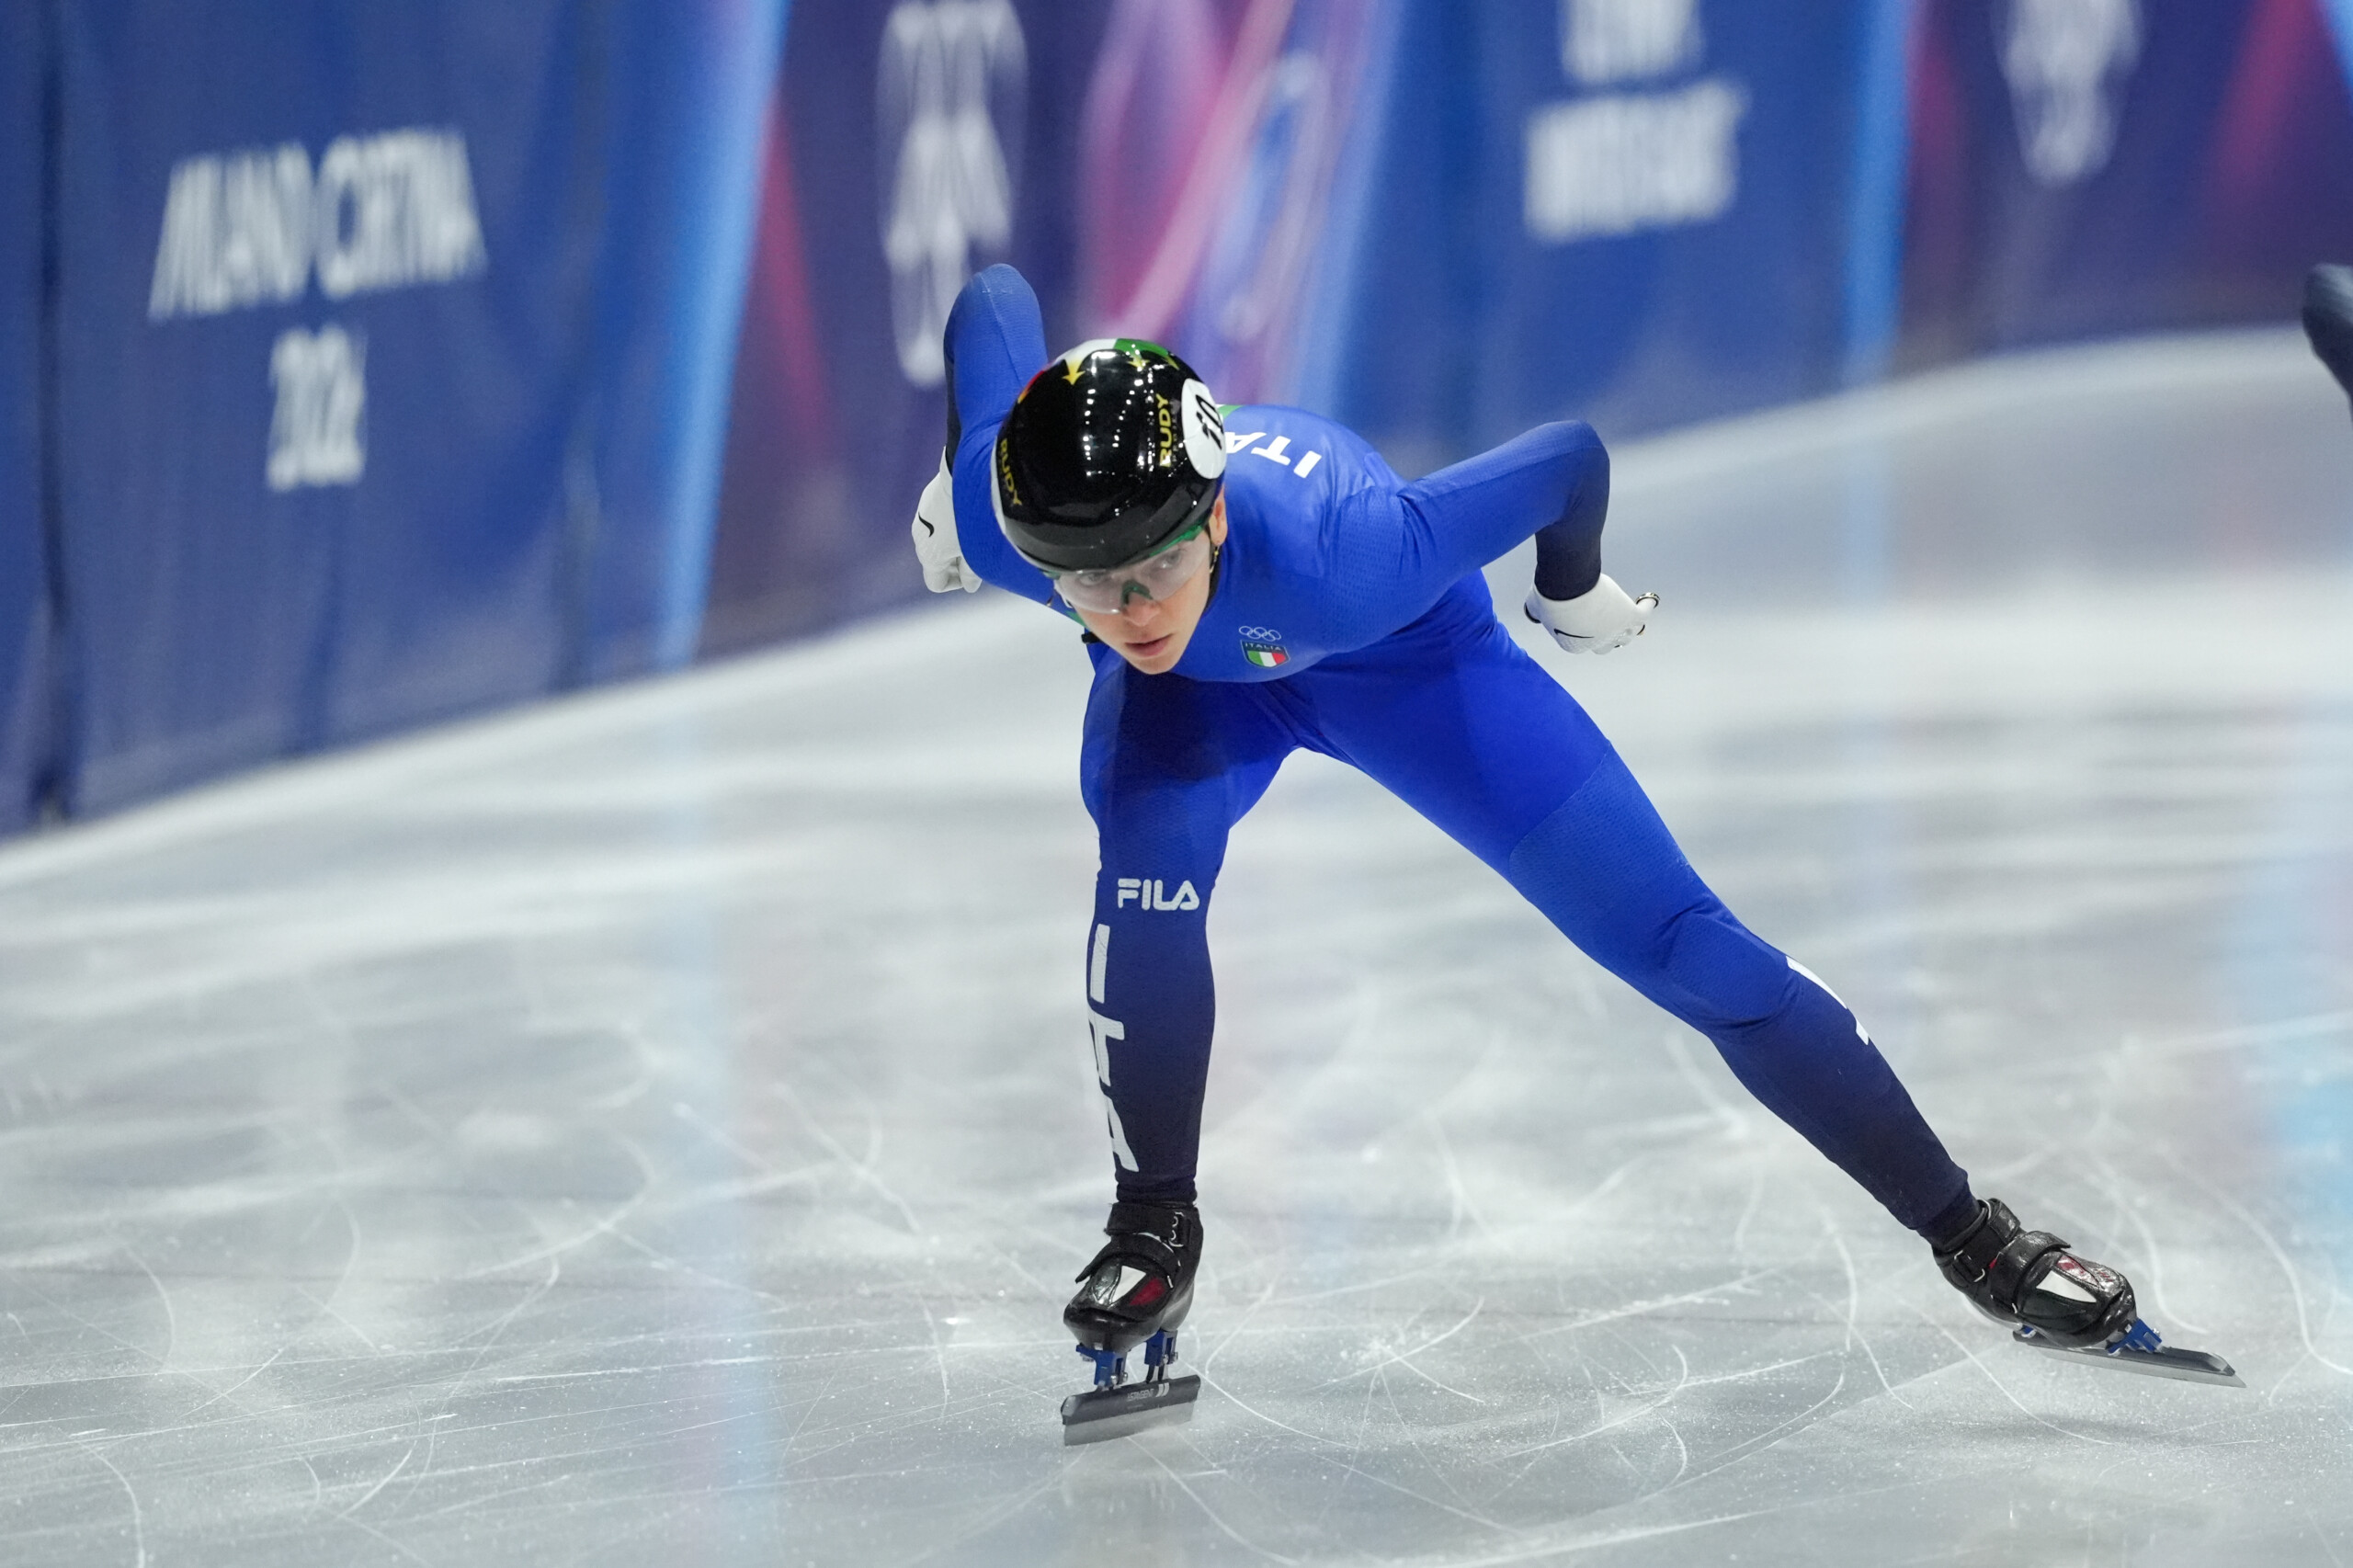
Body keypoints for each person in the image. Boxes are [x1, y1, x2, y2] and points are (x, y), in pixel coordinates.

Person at [909, 263, 2195, 1401]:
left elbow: (1570, 454)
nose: (1124, 608)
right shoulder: (1015, 521)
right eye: (1086, 584)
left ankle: (1974, 1234)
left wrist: (1569, 588)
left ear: (1218, 516)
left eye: (1150, 571)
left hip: (1400, 664)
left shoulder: (1357, 552)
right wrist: (983, 483)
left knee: (1693, 949)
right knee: (1144, 880)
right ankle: (1153, 1228)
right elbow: (991, 304)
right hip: (1200, 707)